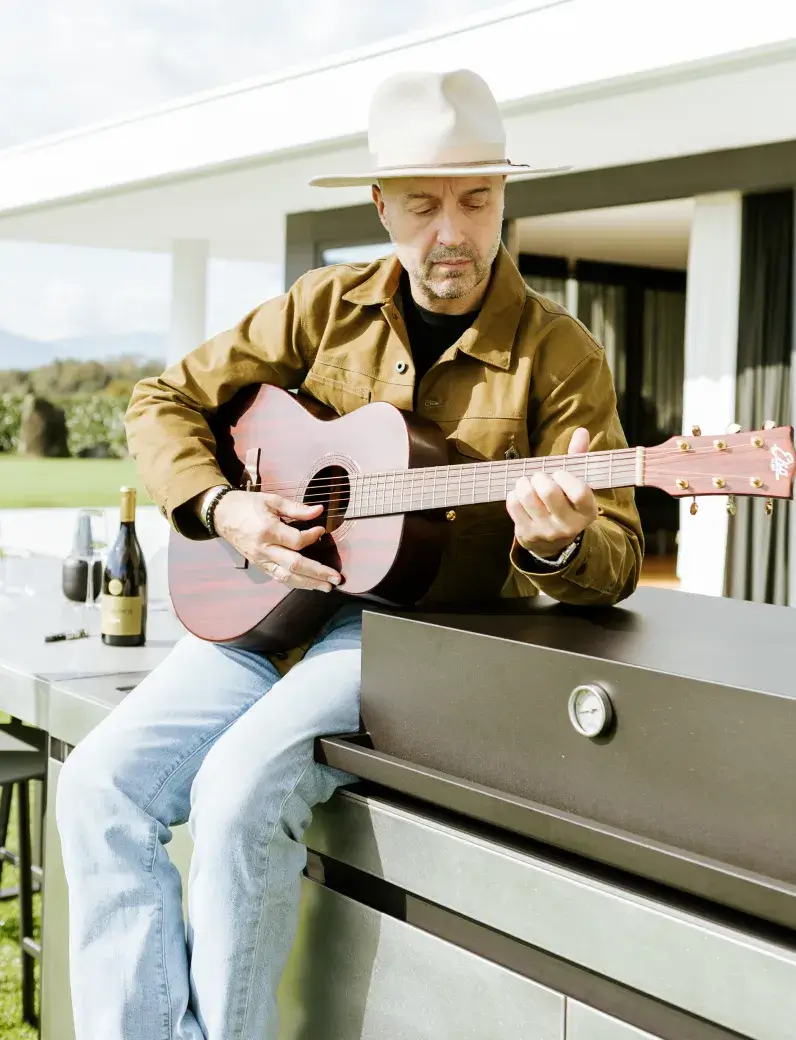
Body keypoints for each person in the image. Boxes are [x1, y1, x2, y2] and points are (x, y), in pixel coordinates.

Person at [56, 68, 643, 1040]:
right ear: (379, 205)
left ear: (504, 200)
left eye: (476, 201)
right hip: (261, 610)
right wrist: (225, 505)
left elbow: (615, 548)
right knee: (95, 784)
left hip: (406, 638)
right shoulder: (320, 306)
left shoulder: (560, 353)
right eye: (422, 204)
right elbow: (162, 401)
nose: (450, 231)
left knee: (239, 788)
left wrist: (558, 539)